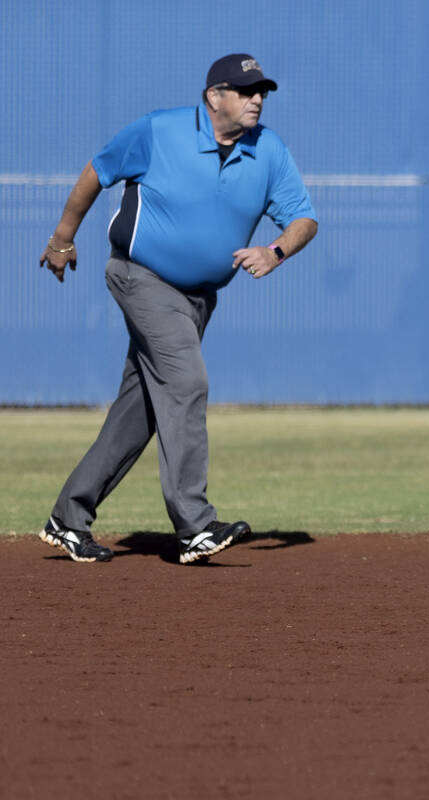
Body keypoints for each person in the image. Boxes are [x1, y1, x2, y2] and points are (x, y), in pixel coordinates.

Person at [36, 54, 318, 564]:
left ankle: (68, 518)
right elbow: (97, 172)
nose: (257, 98)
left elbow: (303, 218)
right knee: (187, 382)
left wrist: (275, 251)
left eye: (263, 91)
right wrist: (61, 238)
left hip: (198, 299)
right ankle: (194, 524)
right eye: (246, 89)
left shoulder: (268, 149)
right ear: (214, 96)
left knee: (141, 410)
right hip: (141, 278)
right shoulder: (159, 131)